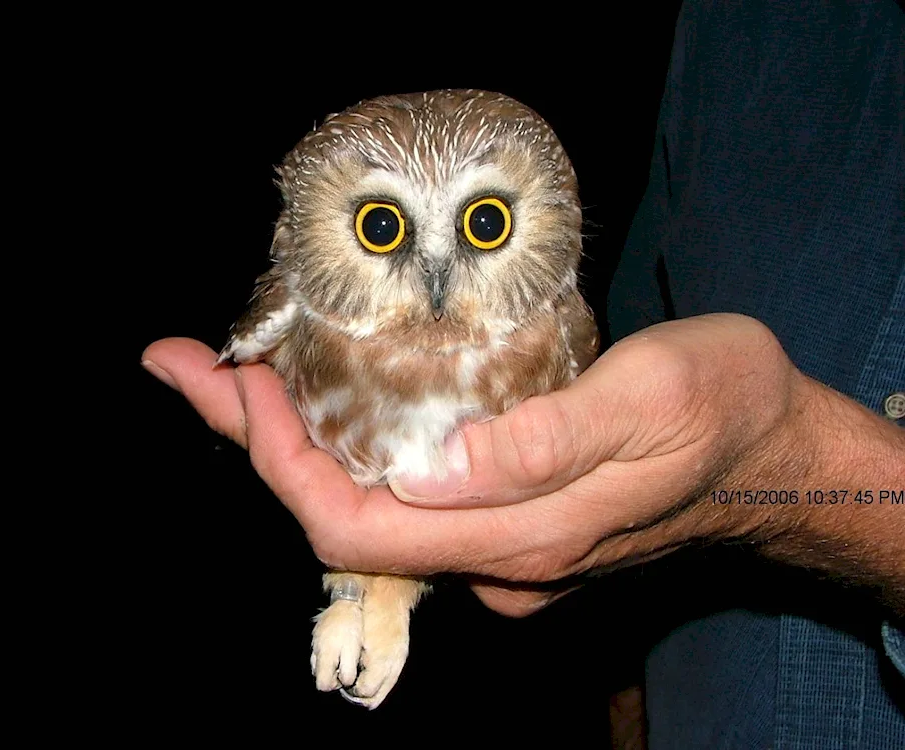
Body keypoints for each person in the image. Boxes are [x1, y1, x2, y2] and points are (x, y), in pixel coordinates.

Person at [143, 0, 903, 744]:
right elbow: (655, 304)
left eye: (486, 223)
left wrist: (786, 481)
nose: (435, 274)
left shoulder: (557, 330)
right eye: (382, 227)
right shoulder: (742, 22)